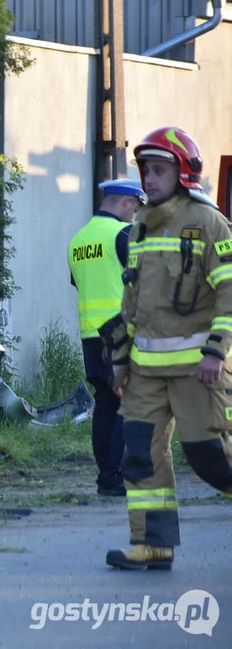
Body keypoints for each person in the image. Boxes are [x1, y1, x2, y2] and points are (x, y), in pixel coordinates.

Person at [104, 126, 232, 571]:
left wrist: (216, 353)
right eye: (146, 171)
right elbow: (131, 301)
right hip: (144, 372)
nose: (149, 180)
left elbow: (230, 293)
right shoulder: (139, 225)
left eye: (159, 170)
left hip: (198, 369)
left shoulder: (210, 223)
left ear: (184, 173)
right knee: (139, 455)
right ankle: (152, 544)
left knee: (210, 458)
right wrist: (121, 363)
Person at [67, 177, 147, 497]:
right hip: (121, 334)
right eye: (136, 208)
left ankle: (107, 476)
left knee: (105, 404)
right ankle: (114, 480)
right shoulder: (123, 234)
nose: (136, 216)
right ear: (126, 202)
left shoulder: (78, 239)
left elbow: (79, 284)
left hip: (90, 334)